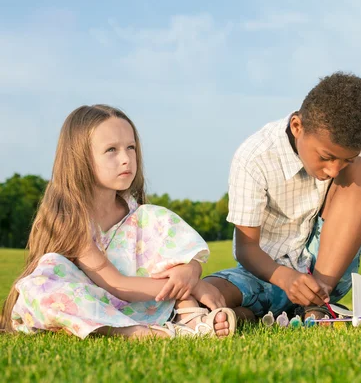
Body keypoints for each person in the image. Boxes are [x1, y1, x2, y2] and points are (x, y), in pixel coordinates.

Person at [206, 72, 361, 320]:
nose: (333, 170)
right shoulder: (254, 157)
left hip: (327, 281)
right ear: (297, 126)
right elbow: (246, 248)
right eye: (326, 157)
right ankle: (265, 313)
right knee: (209, 293)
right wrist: (286, 278)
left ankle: (316, 304)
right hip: (268, 276)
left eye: (345, 160)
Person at [1, 105, 236, 339]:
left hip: (142, 300)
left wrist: (190, 271)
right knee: (41, 286)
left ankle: (188, 316)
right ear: (79, 158)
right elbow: (115, 284)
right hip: (92, 300)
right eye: (111, 150)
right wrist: (193, 286)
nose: (126, 159)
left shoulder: (141, 217)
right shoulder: (69, 217)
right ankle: (135, 332)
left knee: (153, 217)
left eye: (131, 147)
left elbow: (181, 254)